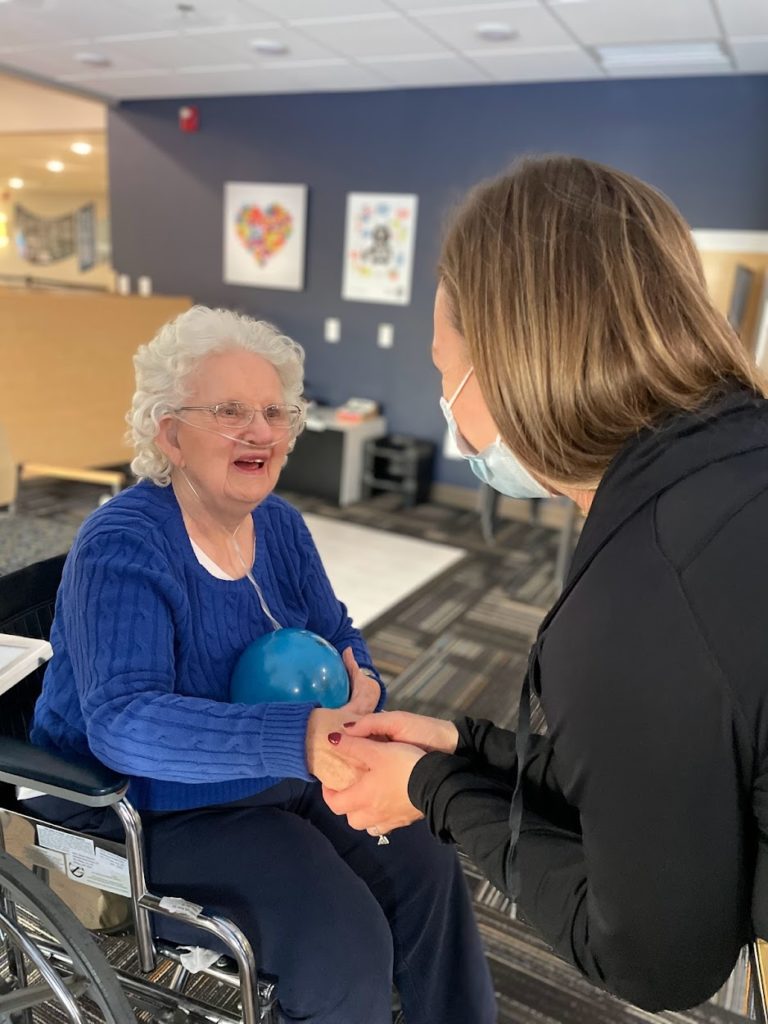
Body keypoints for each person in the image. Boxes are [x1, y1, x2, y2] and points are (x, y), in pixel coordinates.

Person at [323, 155, 768, 1013]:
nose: (446, 403)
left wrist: (430, 790)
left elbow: (654, 960)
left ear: (508, 363)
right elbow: (683, 767)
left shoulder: (642, 596)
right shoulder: (731, 466)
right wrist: (468, 746)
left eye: (441, 368)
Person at [27, 306, 496, 1024]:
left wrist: (360, 679)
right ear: (170, 434)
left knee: (426, 859)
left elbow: (336, 630)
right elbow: (123, 724)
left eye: (276, 412)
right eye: (230, 410)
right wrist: (296, 737)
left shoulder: (277, 525)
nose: (263, 431)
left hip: (281, 770)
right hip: (146, 809)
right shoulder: (122, 544)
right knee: (344, 940)